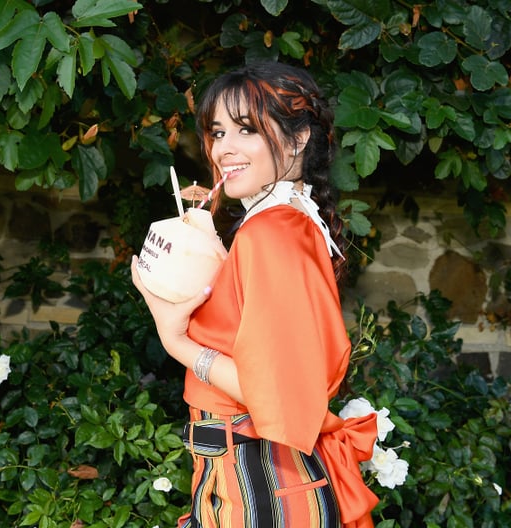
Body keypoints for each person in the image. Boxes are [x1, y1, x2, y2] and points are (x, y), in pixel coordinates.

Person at [131, 61, 379, 527]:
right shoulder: (289, 222)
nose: (224, 148)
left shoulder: (272, 231)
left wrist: (176, 339)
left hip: (258, 485)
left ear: (299, 137)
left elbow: (275, 390)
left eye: (246, 130)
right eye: (218, 132)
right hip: (258, 477)